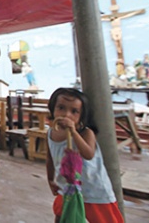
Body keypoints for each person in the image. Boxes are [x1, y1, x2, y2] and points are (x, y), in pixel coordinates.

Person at [45, 88, 124, 223]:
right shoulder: (51, 134)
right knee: (64, 217)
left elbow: (88, 154)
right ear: (53, 109)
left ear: (82, 116)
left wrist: (73, 132)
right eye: (61, 108)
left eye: (74, 111)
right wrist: (51, 180)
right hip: (66, 188)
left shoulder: (86, 133)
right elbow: (50, 159)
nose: (66, 114)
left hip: (94, 192)